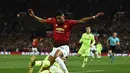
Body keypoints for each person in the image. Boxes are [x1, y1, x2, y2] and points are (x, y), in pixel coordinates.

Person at [28, 9, 104, 47]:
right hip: (55, 46)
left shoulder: (69, 22)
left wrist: (94, 17)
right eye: (57, 18)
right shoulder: (53, 21)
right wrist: (33, 16)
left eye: (60, 18)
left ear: (63, 17)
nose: (58, 20)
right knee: (52, 64)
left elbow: (82, 20)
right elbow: (42, 21)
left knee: (58, 59)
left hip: (64, 46)